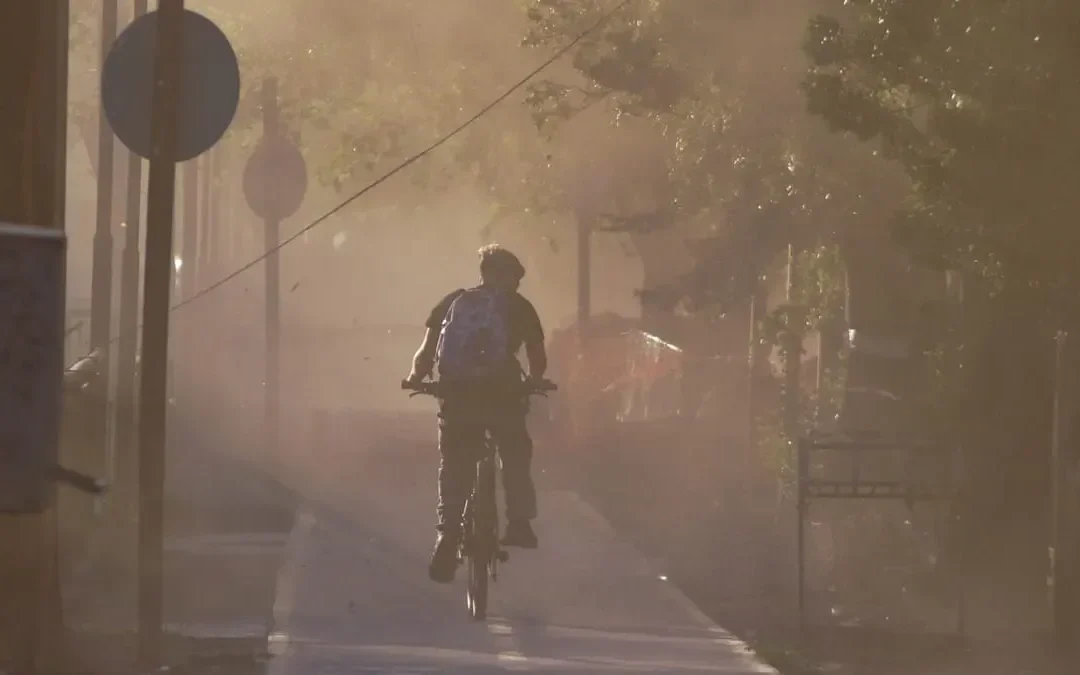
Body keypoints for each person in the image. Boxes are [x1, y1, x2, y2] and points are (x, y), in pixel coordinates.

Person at [404, 244, 548, 583]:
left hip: (458, 395)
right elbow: (537, 358)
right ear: (510, 277)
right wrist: (537, 381)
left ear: (482, 273)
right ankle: (519, 522)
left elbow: (426, 353)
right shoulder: (520, 306)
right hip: (504, 394)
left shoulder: (455, 301)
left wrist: (415, 379)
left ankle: (448, 532)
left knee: (455, 462)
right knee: (515, 450)